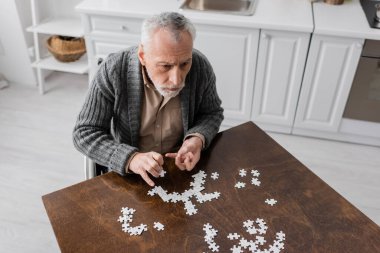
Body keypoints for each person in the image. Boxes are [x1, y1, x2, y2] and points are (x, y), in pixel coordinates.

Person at [73, 12, 223, 187]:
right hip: (129, 173)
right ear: (143, 56)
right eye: (165, 66)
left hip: (179, 170)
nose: (177, 79)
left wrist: (196, 139)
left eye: (184, 64)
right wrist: (131, 158)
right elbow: (84, 133)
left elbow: (212, 113)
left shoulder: (200, 66)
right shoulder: (113, 70)